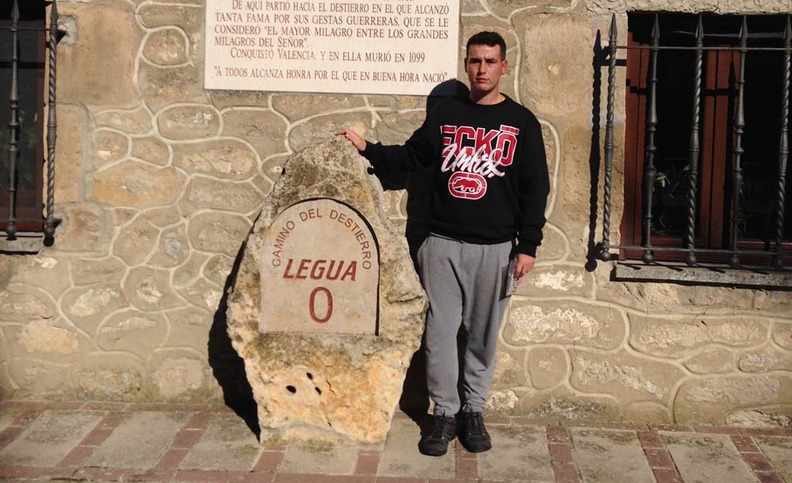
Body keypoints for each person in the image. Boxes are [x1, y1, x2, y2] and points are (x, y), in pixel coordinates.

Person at [338, 31, 550, 457]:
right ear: (466, 65)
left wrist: (528, 246)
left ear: (504, 66)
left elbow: (535, 188)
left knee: (482, 337)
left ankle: (474, 410)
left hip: (495, 250)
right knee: (438, 334)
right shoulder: (446, 113)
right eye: (475, 61)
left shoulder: (522, 123)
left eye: (491, 61)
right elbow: (411, 158)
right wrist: (368, 149)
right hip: (440, 244)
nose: (482, 69)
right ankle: (444, 414)